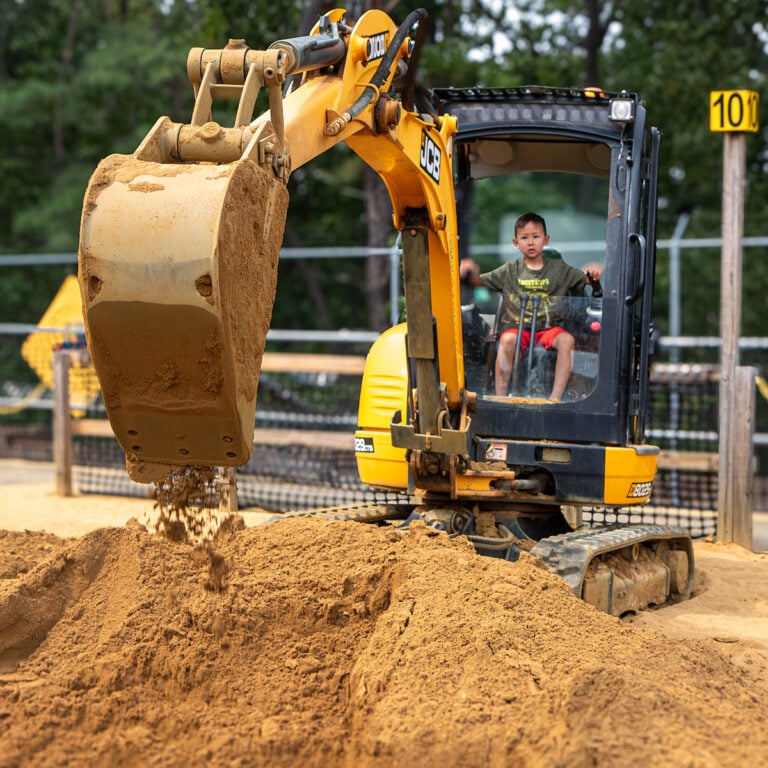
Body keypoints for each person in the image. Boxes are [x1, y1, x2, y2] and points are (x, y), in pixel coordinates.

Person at [460, 212, 602, 401]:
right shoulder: (509, 270)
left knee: (567, 340)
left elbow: (588, 279)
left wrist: (594, 270)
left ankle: (555, 398)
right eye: (524, 238)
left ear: (545, 239)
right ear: (516, 242)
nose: (531, 242)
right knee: (508, 339)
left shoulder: (560, 270)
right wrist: (468, 272)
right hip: (517, 328)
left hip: (549, 329)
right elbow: (478, 281)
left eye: (536, 237)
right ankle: (500, 397)